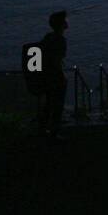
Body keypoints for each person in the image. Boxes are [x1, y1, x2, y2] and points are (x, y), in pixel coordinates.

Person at [40, 11, 69, 140]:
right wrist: (62, 76)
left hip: (46, 76)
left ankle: (44, 129)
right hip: (56, 77)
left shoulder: (47, 37)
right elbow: (57, 60)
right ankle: (54, 133)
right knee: (57, 105)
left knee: (48, 104)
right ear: (62, 24)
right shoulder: (60, 40)